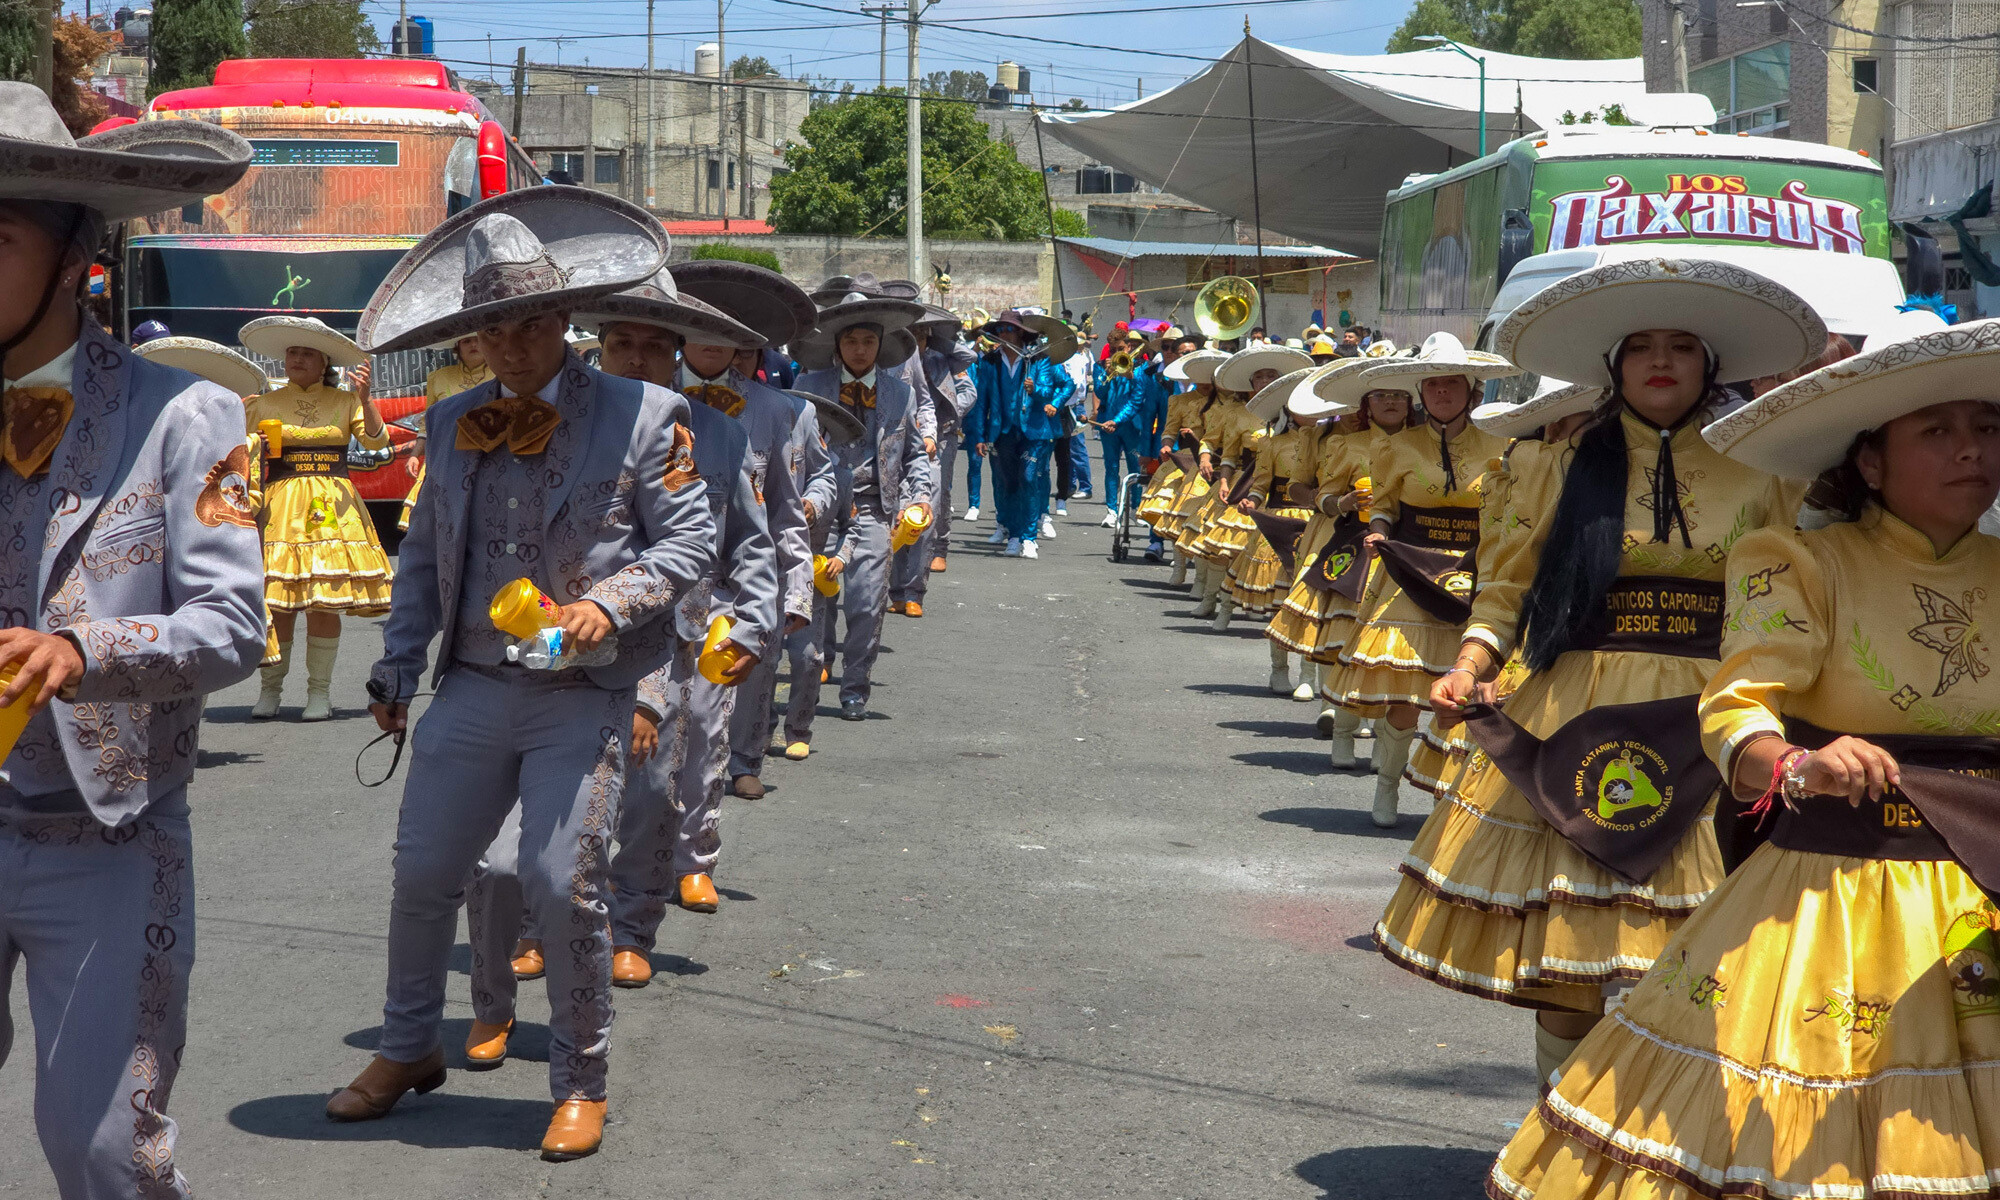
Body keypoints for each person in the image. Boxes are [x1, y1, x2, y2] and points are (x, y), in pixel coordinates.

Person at [1489, 318, 2000, 1200]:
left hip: (1984, 883)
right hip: (1845, 890)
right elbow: (1737, 704)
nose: (1971, 452)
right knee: (1814, 1142)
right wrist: (1795, 764)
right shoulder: (1800, 561)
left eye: (1987, 429)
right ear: (1869, 462)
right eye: (1938, 432)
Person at [326, 189, 716, 1161]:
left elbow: (691, 545)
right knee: (421, 874)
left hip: (579, 691)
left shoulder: (647, 414)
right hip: (471, 686)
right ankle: (409, 1044)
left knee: (556, 879)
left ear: (561, 319)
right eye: (487, 327)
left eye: (523, 322)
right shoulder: (454, 418)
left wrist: (608, 604)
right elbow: (421, 558)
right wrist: (393, 670)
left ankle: (580, 1080)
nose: (506, 344)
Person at [1378, 257, 1824, 1084]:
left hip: (1717, 723)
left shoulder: (1769, 477)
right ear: (1613, 367)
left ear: (1710, 366)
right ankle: (1557, 1130)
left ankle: (1656, 1136)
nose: (1662, 360)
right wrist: (1471, 665)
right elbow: (1504, 589)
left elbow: (1789, 605)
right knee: (1573, 954)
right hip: (1573, 716)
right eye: (1642, 346)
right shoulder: (1545, 469)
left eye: (1682, 346)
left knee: (1697, 955)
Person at [0, 84, 262, 1200]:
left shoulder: (184, 415)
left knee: (105, 1148)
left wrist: (84, 650)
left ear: (73, 259)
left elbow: (232, 621)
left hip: (107, 838)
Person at [1316, 332, 1517, 825]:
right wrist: (1377, 533)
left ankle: (1443, 800)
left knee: (1462, 698)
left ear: (1473, 391)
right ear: (1420, 393)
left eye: (1452, 383)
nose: (1442, 392)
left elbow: (1511, 517)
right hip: (1409, 575)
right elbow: (1382, 507)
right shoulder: (1397, 446)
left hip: (1475, 577)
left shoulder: (1503, 446)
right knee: (1405, 696)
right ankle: (1386, 788)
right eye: (1432, 385)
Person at [659, 260, 824, 804]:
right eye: (699, 326)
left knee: (752, 669)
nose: (710, 341)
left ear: (742, 342)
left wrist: (796, 587)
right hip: (657, 576)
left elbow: (784, 509)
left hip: (740, 577)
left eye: (723, 329)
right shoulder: (645, 396)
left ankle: (746, 758)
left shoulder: (778, 410)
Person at [238, 315, 392, 720]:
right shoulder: (262, 401)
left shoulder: (345, 401)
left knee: (324, 602)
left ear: (325, 362)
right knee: (279, 603)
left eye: (307, 353)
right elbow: (237, 453)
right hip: (280, 503)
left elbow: (377, 442)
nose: (298, 359)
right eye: (292, 352)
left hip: (332, 503)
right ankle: (270, 690)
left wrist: (367, 398)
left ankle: (319, 694)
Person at [793, 284, 934, 719]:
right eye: (851, 341)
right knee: (814, 601)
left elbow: (913, 456)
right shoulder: (807, 385)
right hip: (817, 510)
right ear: (836, 345)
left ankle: (855, 686)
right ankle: (813, 673)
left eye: (868, 341)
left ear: (880, 345)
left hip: (874, 509)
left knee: (866, 602)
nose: (859, 349)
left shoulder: (901, 394)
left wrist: (922, 497)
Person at [1193, 343, 1313, 628]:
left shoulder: (1311, 430)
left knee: (1285, 561)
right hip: (1244, 484)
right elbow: (1231, 454)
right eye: (1260, 376)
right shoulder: (1237, 414)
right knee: (1229, 550)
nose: (1265, 381)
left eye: (1272, 376)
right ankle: (1217, 603)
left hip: (1292, 498)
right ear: (1251, 382)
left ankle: (1280, 617)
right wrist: (1224, 480)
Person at [1226, 366, 1323, 692]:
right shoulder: (1272, 443)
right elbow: (1261, 484)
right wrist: (1252, 501)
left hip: (1318, 524)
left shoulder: (1334, 444)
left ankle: (1308, 676)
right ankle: (1278, 669)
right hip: (1279, 522)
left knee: (1312, 604)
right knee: (1280, 603)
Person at [966, 310, 1076, 560]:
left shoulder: (1038, 360)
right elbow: (981, 401)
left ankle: (1029, 537)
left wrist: (1035, 389)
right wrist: (979, 436)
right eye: (1000, 330)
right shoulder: (990, 361)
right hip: (1002, 431)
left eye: (1009, 329)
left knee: (1028, 478)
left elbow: (1049, 391)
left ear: (1020, 333)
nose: (1004, 334)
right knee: (1009, 482)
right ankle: (1014, 535)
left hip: (1034, 431)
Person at [889, 306, 976, 612]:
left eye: (922, 334)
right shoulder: (889, 361)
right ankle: (896, 591)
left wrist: (944, 420)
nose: (916, 340)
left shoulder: (941, 360)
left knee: (930, 510)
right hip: (895, 444)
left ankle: (915, 590)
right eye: (910, 333)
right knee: (896, 516)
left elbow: (968, 378)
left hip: (936, 441)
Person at [400, 334, 493, 531]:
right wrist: (415, 455)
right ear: (457, 346)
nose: (473, 344)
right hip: (446, 458)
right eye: (466, 341)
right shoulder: (439, 377)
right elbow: (429, 422)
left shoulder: (502, 375)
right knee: (441, 526)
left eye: (477, 339)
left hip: (491, 457)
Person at [1093, 328, 1156, 529]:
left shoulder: (1140, 368)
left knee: (1135, 468)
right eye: (1112, 350)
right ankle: (1112, 510)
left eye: (1120, 349)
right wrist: (1106, 374)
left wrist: (1131, 376)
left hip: (1131, 425)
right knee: (1110, 467)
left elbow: (1138, 399)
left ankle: (1135, 509)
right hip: (1108, 423)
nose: (1116, 353)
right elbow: (1101, 393)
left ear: (1129, 347)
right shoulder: (1101, 366)